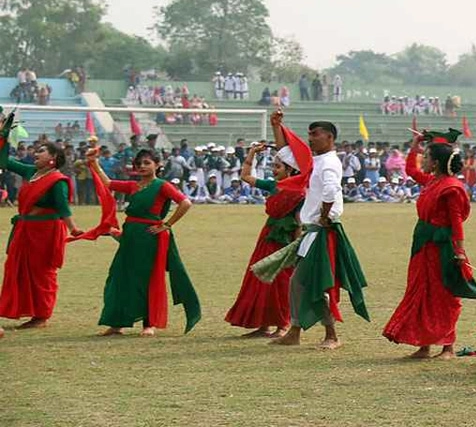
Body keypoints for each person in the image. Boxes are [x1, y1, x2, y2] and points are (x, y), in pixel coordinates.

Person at [268, 119, 368, 350]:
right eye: (309, 134)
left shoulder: (329, 163)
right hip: (313, 231)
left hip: (323, 231)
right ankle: (296, 330)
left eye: (315, 134)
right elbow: (285, 153)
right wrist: (276, 127)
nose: (310, 138)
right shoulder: (314, 161)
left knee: (314, 283)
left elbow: (331, 190)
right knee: (300, 282)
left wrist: (323, 215)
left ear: (329, 137)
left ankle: (330, 335)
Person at [383, 129, 476, 358]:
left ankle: (448, 346)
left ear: (436, 163)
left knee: (444, 295)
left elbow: (456, 221)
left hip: (443, 247)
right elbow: (410, 170)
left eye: (426, 157)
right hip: (423, 246)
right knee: (422, 293)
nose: (423, 160)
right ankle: (424, 345)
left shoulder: (451, 187)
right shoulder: (432, 181)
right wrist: (415, 145)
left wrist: (459, 252)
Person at [90, 148, 199, 336]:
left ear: (158, 165)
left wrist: (166, 225)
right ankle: (117, 324)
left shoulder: (162, 186)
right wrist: (94, 163)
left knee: (147, 279)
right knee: (120, 277)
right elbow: (107, 183)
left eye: (147, 163)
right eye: (139, 163)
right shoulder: (134, 186)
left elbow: (185, 203)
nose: (142, 166)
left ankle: (149, 324)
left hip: (149, 237)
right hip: (130, 236)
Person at [224, 117, 309, 338]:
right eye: (273, 166)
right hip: (268, 237)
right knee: (261, 279)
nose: (274, 169)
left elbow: (299, 221)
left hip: (285, 241)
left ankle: (283, 325)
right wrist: (252, 153)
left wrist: (296, 248)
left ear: (290, 170)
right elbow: (245, 176)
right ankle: (264, 325)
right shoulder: (272, 185)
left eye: (278, 166)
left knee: (281, 282)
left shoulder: (299, 192)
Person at [0, 115, 84, 329]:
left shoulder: (57, 181)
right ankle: (28, 311)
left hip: (45, 232)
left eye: (41, 151)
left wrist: (73, 229)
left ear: (53, 158)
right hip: (25, 229)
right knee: (19, 269)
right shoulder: (31, 172)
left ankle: (42, 315)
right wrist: (3, 136)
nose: (36, 154)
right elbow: (4, 162)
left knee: (42, 273)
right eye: (36, 151)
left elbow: (63, 208)